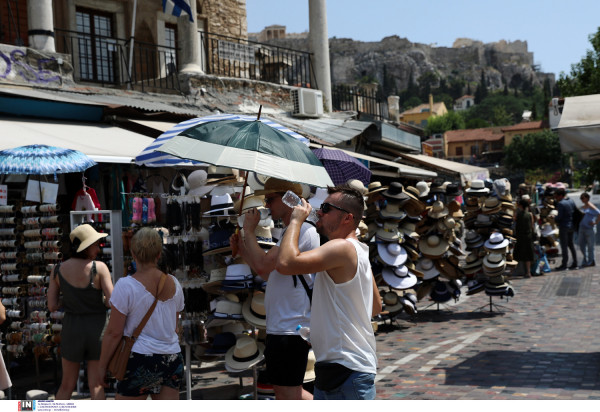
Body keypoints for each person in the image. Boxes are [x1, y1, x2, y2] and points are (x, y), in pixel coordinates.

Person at [276, 184, 382, 400]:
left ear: (347, 218)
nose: (320, 212)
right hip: (342, 368)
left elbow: (285, 263)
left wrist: (295, 221)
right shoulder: (358, 249)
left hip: (346, 369)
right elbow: (375, 306)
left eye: (326, 208)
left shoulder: (342, 248)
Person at [230, 178, 319, 400]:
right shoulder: (291, 232)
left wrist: (249, 231)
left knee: (288, 394)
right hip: (284, 326)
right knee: (285, 392)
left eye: (270, 199)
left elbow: (264, 265)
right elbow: (268, 273)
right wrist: (243, 249)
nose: (267, 205)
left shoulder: (301, 231)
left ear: (289, 199)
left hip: (291, 327)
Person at [94, 227, 185, 400]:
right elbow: (174, 328)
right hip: (172, 358)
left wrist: (101, 366)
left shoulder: (125, 286)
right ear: (159, 254)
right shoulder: (174, 283)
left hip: (139, 359)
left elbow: (114, 332)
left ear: (133, 254)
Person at [47, 224, 114, 400]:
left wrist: (71, 299)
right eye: (95, 243)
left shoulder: (57, 270)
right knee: (97, 384)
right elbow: (113, 301)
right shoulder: (99, 268)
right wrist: (100, 301)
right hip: (97, 329)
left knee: (67, 385)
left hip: (72, 329)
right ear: (85, 246)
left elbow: (52, 306)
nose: (98, 247)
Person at [554, 187, 578, 270]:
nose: (556, 198)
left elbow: (559, 217)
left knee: (564, 246)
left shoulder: (561, 204)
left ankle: (564, 264)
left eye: (556, 196)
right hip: (571, 226)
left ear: (560, 196)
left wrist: (554, 218)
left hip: (564, 226)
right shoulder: (571, 201)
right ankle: (575, 262)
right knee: (571, 245)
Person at [514, 198, 535, 277]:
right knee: (528, 254)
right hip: (528, 236)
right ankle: (528, 272)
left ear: (521, 205)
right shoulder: (530, 214)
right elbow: (532, 226)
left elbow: (514, 221)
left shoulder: (518, 214)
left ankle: (512, 270)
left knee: (517, 253)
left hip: (520, 236)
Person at [578, 192, 600, 267]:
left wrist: (595, 222)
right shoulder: (582, 207)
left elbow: (598, 213)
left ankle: (591, 261)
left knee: (590, 246)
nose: (581, 199)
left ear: (587, 198)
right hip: (581, 228)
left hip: (589, 229)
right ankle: (586, 259)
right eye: (581, 198)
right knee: (581, 245)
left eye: (583, 198)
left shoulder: (592, 207)